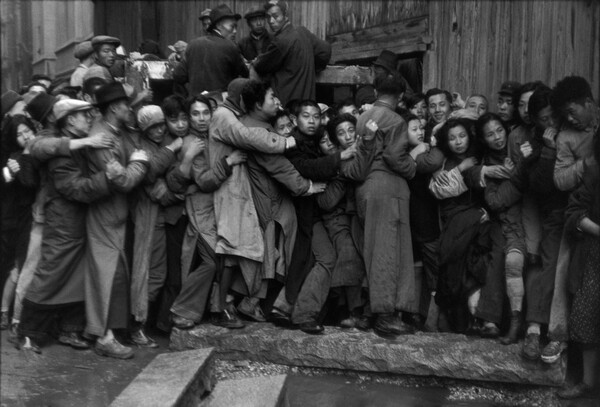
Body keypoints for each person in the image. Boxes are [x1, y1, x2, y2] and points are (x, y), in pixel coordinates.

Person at [16, 99, 115, 353]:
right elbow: (75, 188)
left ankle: (69, 330)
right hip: (63, 225)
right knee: (50, 275)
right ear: (70, 120)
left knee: (75, 276)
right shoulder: (59, 147)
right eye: (84, 115)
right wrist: (108, 177)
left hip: (75, 224)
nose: (90, 118)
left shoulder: (75, 142)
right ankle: (28, 333)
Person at [279, 100, 358, 333]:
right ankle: (303, 314)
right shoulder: (294, 144)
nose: (312, 121)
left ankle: (293, 310)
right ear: (295, 119)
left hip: (314, 218)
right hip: (305, 217)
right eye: (306, 116)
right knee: (326, 259)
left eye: (315, 116)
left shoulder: (312, 142)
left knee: (325, 259)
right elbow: (306, 168)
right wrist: (339, 159)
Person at [83, 82, 149, 359]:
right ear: (113, 108)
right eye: (126, 105)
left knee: (116, 274)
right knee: (105, 275)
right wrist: (139, 163)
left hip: (115, 215)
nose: (130, 109)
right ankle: (103, 337)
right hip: (105, 215)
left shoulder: (111, 128)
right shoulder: (102, 137)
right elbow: (121, 179)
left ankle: (110, 331)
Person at [429, 119, 506, 337]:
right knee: (455, 268)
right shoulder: (443, 163)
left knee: (479, 264)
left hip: (481, 223)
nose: (458, 142)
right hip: (457, 223)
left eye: (462, 136)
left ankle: (480, 318)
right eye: (452, 138)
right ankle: (460, 321)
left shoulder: (480, 156)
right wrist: (460, 169)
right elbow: (440, 191)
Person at [354, 76, 417, 338]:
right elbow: (393, 156)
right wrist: (412, 167)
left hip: (367, 187)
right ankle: (386, 316)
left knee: (373, 248)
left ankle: (370, 311)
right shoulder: (396, 120)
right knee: (388, 251)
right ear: (400, 96)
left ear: (377, 91)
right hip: (388, 187)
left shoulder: (363, 116)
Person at [129, 105, 182, 345]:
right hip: (147, 217)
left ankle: (141, 323)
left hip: (159, 218)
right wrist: (171, 150)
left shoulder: (164, 142)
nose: (160, 130)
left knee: (157, 274)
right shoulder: (142, 146)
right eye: (154, 127)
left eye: (162, 125)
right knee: (147, 273)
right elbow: (150, 176)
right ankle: (136, 325)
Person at [318, 113, 377, 329]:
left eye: (351, 130)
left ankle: (370, 312)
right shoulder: (340, 161)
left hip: (371, 211)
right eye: (341, 134)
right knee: (351, 256)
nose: (349, 136)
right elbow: (328, 200)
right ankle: (356, 311)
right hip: (351, 217)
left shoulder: (369, 147)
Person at [558, 129, 600, 400]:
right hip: (594, 255)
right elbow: (574, 213)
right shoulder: (594, 173)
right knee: (587, 315)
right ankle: (586, 382)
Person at [402, 112, 444, 331]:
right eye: (413, 128)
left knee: (433, 269)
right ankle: (414, 314)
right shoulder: (403, 154)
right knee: (414, 268)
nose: (419, 132)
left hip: (426, 220)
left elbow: (431, 163)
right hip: (409, 221)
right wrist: (415, 152)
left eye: (421, 128)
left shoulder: (427, 151)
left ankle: (431, 320)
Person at [252, 1, 331, 105]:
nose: (271, 21)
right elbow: (325, 50)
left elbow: (260, 66)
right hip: (306, 102)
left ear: (285, 15)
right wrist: (309, 67)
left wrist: (310, 67)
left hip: (286, 103)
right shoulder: (303, 32)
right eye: (268, 17)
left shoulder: (280, 42)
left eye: (276, 16)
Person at [0, 115, 38, 330]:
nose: (26, 136)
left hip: (33, 216)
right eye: (20, 134)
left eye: (28, 131)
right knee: (18, 266)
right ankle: (7, 312)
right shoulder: (16, 156)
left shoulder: (40, 149)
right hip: (20, 217)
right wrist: (23, 158)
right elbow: (29, 182)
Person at [173, 4, 248, 96]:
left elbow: (178, 75)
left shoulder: (193, 44)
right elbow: (245, 75)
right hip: (220, 103)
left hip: (195, 104)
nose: (235, 31)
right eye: (232, 27)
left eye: (236, 27)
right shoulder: (230, 47)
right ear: (219, 26)